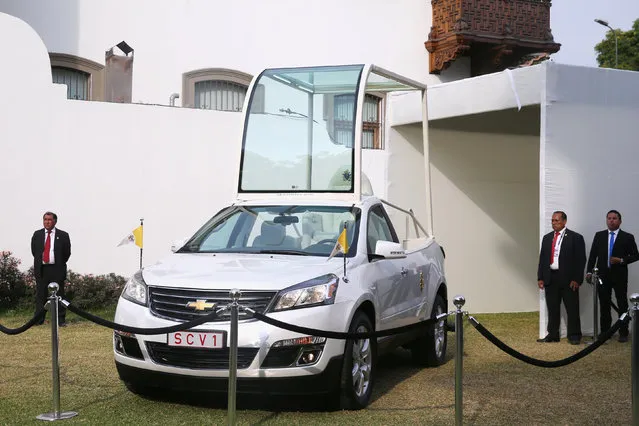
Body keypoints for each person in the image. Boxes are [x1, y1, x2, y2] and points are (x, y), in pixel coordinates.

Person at [586, 210, 639, 342]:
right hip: (602, 276)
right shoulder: (599, 236)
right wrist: (588, 272)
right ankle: (605, 333)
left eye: (614, 218)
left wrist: (621, 260)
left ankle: (623, 332)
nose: (611, 220)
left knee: (622, 304)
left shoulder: (627, 237)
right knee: (604, 305)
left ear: (620, 221)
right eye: (609, 218)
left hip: (619, 276)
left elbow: (636, 255)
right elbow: (593, 256)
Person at [537, 211, 586, 344]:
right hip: (550, 278)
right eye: (552, 221)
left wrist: (577, 279)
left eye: (557, 220)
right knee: (552, 308)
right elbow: (542, 259)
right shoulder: (547, 238)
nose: (554, 223)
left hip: (569, 279)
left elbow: (581, 260)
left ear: (564, 221)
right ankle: (553, 335)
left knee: (572, 308)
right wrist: (540, 277)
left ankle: (574, 335)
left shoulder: (575, 237)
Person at [31, 211, 71, 326]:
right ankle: (38, 320)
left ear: (55, 221)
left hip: (57, 269)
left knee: (59, 295)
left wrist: (58, 263)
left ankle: (60, 320)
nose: (47, 222)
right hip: (42, 269)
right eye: (45, 220)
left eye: (49, 220)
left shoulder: (63, 235)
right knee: (41, 295)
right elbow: (34, 251)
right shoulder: (37, 234)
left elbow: (67, 253)